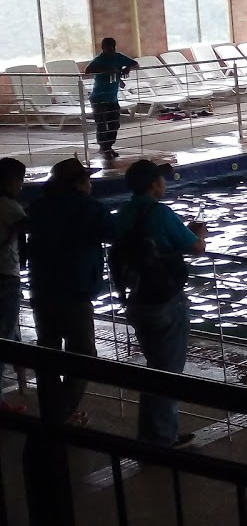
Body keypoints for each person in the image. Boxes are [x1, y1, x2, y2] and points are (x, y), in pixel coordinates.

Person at [113, 160, 205, 448]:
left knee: (153, 369)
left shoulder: (124, 212)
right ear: (153, 186)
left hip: (137, 299)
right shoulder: (161, 213)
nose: (164, 184)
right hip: (166, 302)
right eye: (161, 180)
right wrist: (198, 233)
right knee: (168, 373)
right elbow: (196, 247)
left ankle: (149, 434)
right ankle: (163, 439)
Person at [24, 155, 115, 424]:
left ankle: (51, 412)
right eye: (88, 179)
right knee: (84, 355)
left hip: (41, 288)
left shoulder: (38, 206)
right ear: (79, 183)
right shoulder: (89, 208)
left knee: (48, 353)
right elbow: (114, 232)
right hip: (75, 291)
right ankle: (60, 415)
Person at [83, 37, 138, 162]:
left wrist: (127, 68)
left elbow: (135, 63)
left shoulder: (118, 57)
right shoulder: (99, 59)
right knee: (102, 125)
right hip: (99, 98)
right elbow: (87, 70)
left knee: (114, 124)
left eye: (112, 47)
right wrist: (105, 70)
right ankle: (104, 147)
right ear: (103, 48)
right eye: (108, 47)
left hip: (112, 98)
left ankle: (108, 146)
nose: (111, 49)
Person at [0, 156, 25, 411]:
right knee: (4, 338)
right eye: (19, 180)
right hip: (5, 277)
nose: (21, 185)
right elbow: (32, 226)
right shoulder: (9, 207)